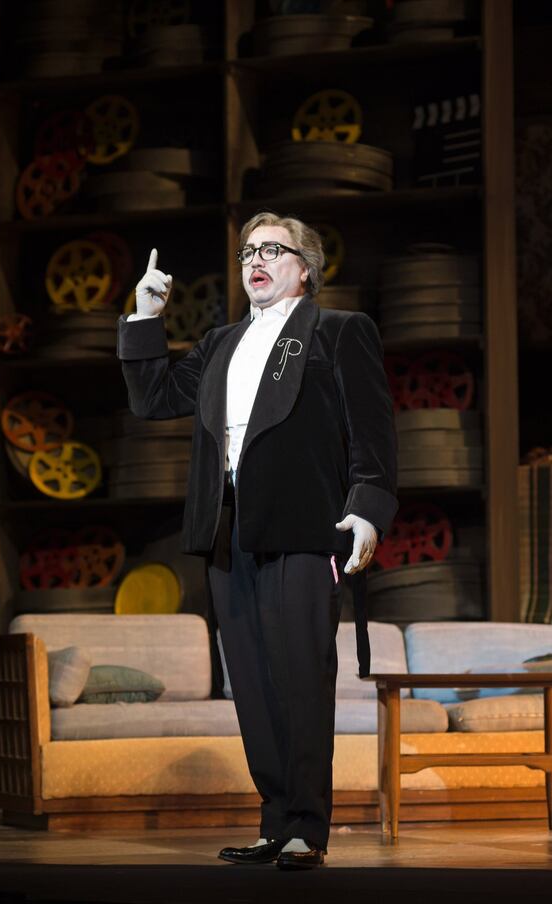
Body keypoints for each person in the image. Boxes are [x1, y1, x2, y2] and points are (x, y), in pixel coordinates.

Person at [117, 212, 398, 871]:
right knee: (251, 682)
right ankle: (276, 821)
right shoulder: (220, 342)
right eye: (248, 251)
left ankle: (307, 827)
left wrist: (368, 509)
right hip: (227, 528)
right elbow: (153, 399)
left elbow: (372, 431)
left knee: (301, 678)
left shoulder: (338, 330)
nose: (256, 260)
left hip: (303, 525)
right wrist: (145, 317)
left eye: (273, 249)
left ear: (305, 268)